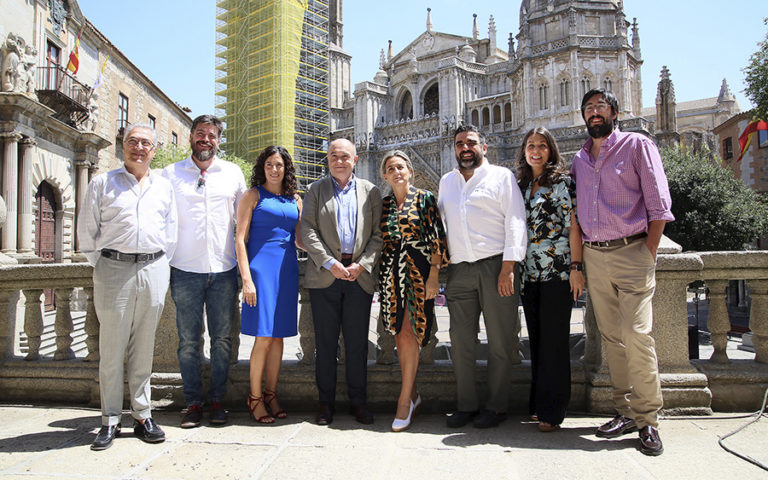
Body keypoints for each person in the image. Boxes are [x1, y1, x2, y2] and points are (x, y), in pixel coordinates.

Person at [572, 88, 674, 456]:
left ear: (615, 112)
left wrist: (646, 251)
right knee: (613, 338)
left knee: (637, 334)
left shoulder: (637, 145)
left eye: (600, 106)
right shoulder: (579, 159)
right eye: (588, 108)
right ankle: (625, 411)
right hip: (594, 256)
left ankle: (648, 420)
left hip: (633, 251)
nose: (594, 112)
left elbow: (659, 204)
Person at [78, 123, 177, 451]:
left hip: (153, 268)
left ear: (154, 149)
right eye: (133, 142)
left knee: (144, 346)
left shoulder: (164, 187)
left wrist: (159, 264)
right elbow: (86, 232)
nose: (139, 148)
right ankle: (108, 420)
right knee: (111, 347)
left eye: (145, 143)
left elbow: (171, 232)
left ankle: (142, 415)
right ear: (123, 145)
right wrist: (106, 264)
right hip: (113, 269)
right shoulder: (102, 183)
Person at [438, 124, 527, 429]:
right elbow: (441, 225)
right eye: (460, 142)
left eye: (471, 143)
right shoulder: (446, 182)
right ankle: (466, 404)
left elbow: (516, 220)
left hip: (496, 267)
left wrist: (509, 266)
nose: (465, 147)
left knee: (501, 341)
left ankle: (496, 406)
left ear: (483, 148)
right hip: (459, 270)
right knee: (461, 341)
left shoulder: (501, 176)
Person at [161, 115, 247, 428]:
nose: (205, 139)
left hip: (224, 269)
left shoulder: (233, 173)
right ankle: (194, 402)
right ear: (191, 138)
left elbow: (247, 217)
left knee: (222, 340)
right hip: (184, 268)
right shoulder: (169, 174)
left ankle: (217, 401)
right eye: (200, 133)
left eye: (212, 135)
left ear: (219, 140)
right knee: (187, 341)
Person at [301, 138, 383, 426]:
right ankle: (326, 405)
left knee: (358, 344)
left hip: (358, 277)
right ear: (328, 159)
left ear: (355, 159)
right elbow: (308, 229)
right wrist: (330, 263)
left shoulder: (370, 191)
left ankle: (358, 402)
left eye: (345, 156)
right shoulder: (315, 189)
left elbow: (377, 235)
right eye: (334, 156)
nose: (339, 161)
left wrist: (363, 264)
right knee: (325, 344)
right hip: (326, 276)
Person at [515, 127, 585, 432]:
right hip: (529, 274)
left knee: (555, 342)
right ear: (524, 151)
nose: (536, 151)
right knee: (537, 341)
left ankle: (552, 412)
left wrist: (576, 268)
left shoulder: (561, 183)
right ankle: (537, 404)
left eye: (542, 146)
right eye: (531, 146)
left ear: (551, 150)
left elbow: (574, 227)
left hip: (557, 271)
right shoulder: (522, 185)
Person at [378, 150, 449, 432]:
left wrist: (434, 275)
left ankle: (404, 400)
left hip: (418, 275)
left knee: (411, 331)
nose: (396, 172)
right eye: (391, 168)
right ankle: (414, 393)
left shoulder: (425, 199)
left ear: (410, 171)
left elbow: (437, 238)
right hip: (390, 276)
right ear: (385, 175)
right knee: (399, 332)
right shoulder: (382, 205)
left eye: (401, 167)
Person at [235, 146, 303, 424]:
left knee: (279, 338)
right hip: (260, 271)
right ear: (262, 168)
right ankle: (254, 397)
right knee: (263, 336)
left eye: (279, 165)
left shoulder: (296, 200)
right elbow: (240, 239)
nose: (274, 170)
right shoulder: (252, 196)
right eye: (269, 165)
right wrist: (246, 280)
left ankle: (271, 393)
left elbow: (300, 240)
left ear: (287, 168)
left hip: (287, 270)